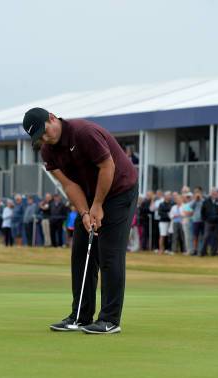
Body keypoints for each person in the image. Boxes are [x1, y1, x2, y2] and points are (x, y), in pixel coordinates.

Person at [24, 107, 138, 334]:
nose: (45, 138)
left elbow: (108, 167)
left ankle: (110, 319)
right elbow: (69, 185)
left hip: (119, 190)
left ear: (52, 118)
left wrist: (97, 205)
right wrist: (85, 213)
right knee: (80, 253)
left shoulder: (83, 133)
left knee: (109, 253)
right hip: (88, 195)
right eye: (40, 137)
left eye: (45, 131)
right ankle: (80, 316)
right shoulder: (48, 151)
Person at [200, 188, 218, 256]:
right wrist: (205, 219)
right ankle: (203, 252)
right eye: (213, 193)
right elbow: (202, 212)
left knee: (215, 237)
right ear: (211, 194)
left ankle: (213, 252)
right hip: (208, 222)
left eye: (215, 193)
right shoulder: (206, 202)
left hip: (217, 222)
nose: (214, 195)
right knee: (206, 236)